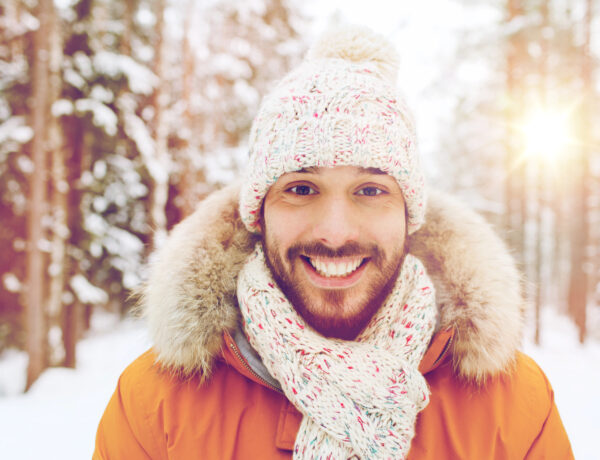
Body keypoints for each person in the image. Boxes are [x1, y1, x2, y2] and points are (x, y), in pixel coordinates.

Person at [93, 26, 573, 459]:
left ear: (410, 216)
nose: (336, 232)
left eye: (370, 191)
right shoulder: (154, 407)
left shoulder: (513, 409)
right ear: (258, 214)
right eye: (301, 189)